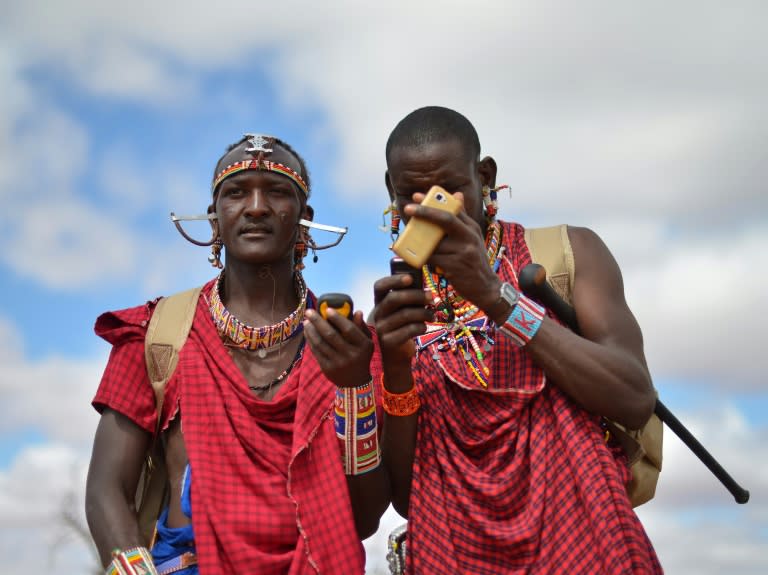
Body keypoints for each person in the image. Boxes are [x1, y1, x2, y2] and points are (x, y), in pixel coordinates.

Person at [373, 107, 663, 574]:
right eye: (412, 194)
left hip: (587, 543)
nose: (430, 208)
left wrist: (495, 297)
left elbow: (633, 397)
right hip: (453, 552)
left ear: (484, 175)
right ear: (391, 191)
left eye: (448, 191)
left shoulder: (567, 253)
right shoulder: (397, 313)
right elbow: (407, 497)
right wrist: (395, 368)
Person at [85, 134, 389, 574]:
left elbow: (363, 519)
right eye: (237, 192)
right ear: (214, 220)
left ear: (305, 219)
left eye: (278, 192)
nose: (257, 207)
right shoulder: (156, 337)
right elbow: (106, 489)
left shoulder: (349, 346)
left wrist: (355, 387)